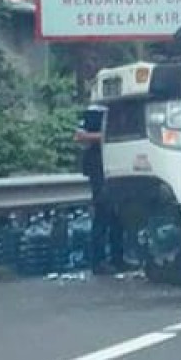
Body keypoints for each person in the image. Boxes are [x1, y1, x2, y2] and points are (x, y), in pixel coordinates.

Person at [74, 106, 126, 275]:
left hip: (117, 165)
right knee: (102, 212)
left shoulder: (118, 108)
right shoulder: (93, 112)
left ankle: (118, 258)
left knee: (118, 215)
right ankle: (98, 261)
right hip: (98, 167)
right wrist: (106, 136)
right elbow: (80, 136)